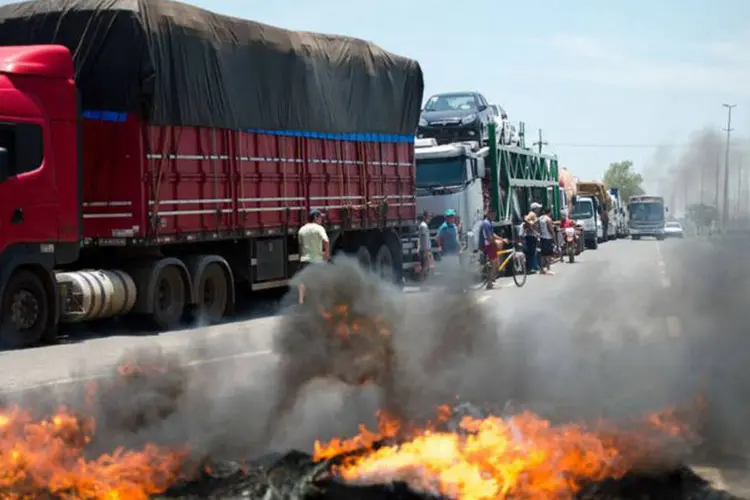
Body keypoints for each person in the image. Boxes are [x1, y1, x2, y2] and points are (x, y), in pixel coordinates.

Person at [297, 209, 330, 304]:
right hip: (317, 260)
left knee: (303, 281)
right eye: (320, 217)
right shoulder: (319, 228)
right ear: (315, 218)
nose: (321, 220)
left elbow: (300, 245)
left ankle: (301, 300)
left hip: (305, 260)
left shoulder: (302, 229)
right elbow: (326, 241)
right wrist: (326, 254)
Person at [478, 208, 507, 289]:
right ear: (488, 214)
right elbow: (489, 237)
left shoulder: (488, 222)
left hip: (489, 244)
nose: (494, 216)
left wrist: (501, 238)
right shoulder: (486, 223)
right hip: (488, 245)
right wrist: (496, 243)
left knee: (496, 262)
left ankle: (492, 278)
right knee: (494, 263)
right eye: (493, 214)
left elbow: (492, 234)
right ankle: (489, 282)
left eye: (495, 214)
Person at [523, 202, 542, 273]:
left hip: (532, 235)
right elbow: (526, 220)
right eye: (538, 208)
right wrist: (533, 226)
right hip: (531, 235)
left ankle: (531, 267)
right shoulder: (532, 214)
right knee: (531, 252)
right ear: (535, 208)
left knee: (532, 252)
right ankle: (529, 269)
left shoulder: (533, 214)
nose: (539, 209)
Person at [538, 206, 556, 275]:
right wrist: (554, 238)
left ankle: (542, 269)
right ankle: (548, 269)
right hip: (548, 238)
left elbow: (538, 227)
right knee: (548, 254)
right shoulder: (548, 219)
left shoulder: (540, 218)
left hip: (542, 237)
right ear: (550, 212)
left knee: (543, 254)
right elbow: (550, 230)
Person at [416, 210, 432, 281]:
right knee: (424, 267)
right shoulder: (423, 226)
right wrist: (426, 250)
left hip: (425, 249)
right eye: (429, 217)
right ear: (425, 217)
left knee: (425, 266)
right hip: (424, 250)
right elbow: (423, 238)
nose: (430, 218)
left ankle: (424, 281)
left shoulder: (424, 225)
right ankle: (422, 281)